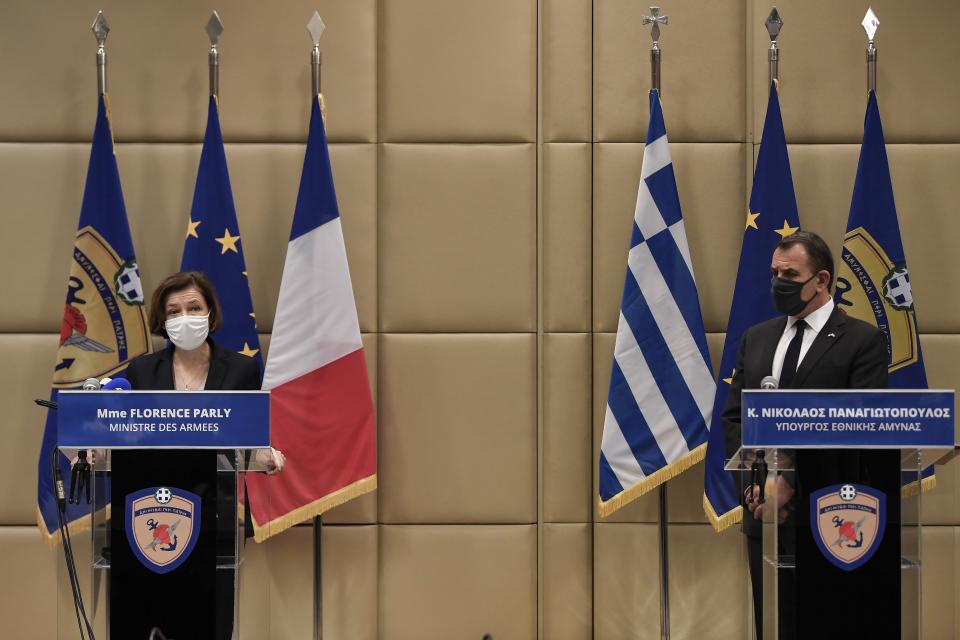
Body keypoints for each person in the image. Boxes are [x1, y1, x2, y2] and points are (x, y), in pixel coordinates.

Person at [721, 231, 889, 640]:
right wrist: (756, 487)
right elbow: (734, 418)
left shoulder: (862, 340)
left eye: (790, 273)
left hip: (832, 510)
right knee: (774, 624)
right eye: (775, 272)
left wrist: (790, 484)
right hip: (765, 514)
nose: (779, 281)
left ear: (822, 280)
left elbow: (860, 426)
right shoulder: (757, 338)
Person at [110, 271, 285, 640]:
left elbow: (247, 439)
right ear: (162, 320)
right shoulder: (141, 372)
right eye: (173, 311)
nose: (183, 317)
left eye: (193, 307)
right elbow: (126, 441)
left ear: (210, 313)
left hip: (210, 525)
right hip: (146, 522)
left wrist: (262, 455)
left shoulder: (240, 370)